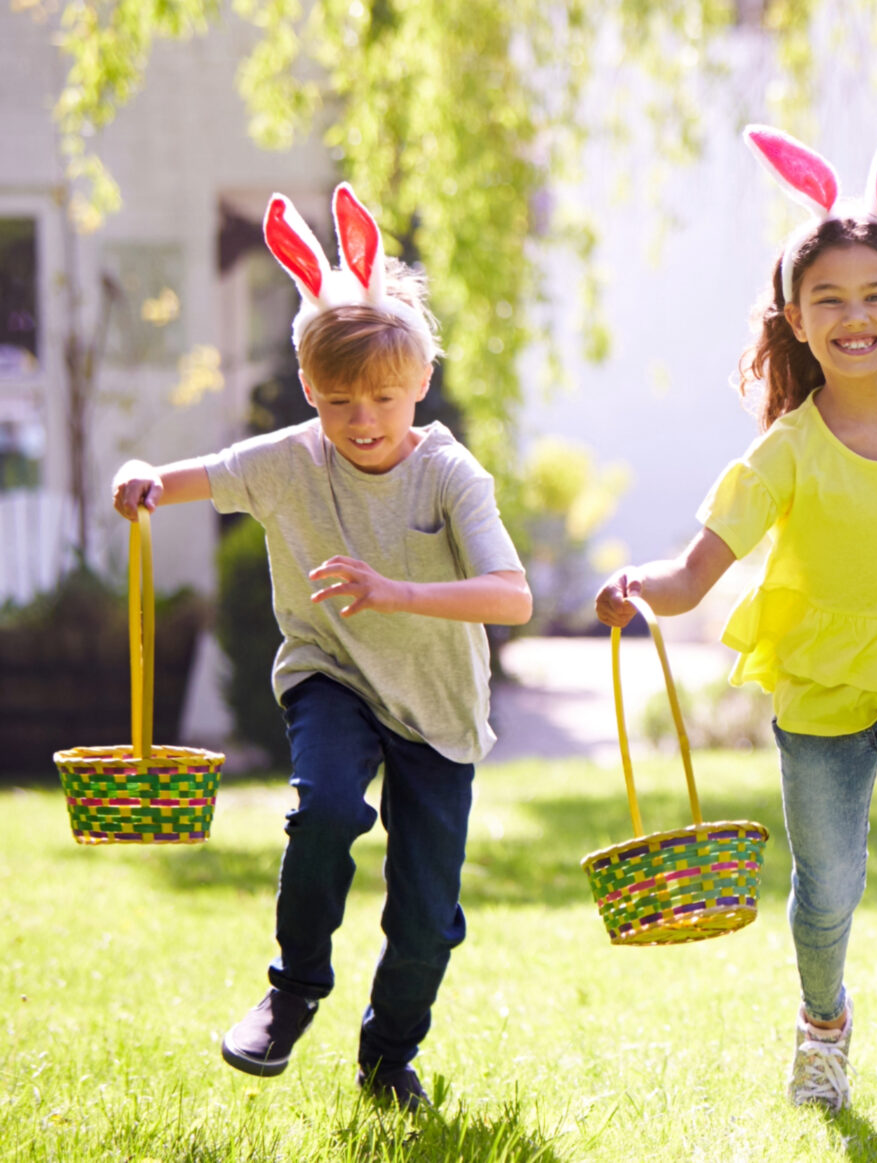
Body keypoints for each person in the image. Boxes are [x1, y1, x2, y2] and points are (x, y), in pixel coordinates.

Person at [593, 102, 877, 1126]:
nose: (856, 314)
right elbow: (697, 567)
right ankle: (822, 1025)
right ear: (795, 320)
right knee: (827, 890)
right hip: (820, 683)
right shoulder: (784, 452)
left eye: (875, 294)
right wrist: (644, 590)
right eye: (828, 299)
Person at [111, 185, 531, 1111]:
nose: (363, 419)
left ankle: (388, 1055)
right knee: (327, 808)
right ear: (311, 389)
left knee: (427, 920)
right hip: (330, 673)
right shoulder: (289, 458)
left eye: (383, 396)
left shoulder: (450, 473)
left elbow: (513, 594)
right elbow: (203, 477)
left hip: (438, 709)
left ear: (419, 380)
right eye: (340, 400)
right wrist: (145, 478)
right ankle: (293, 988)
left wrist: (398, 591)